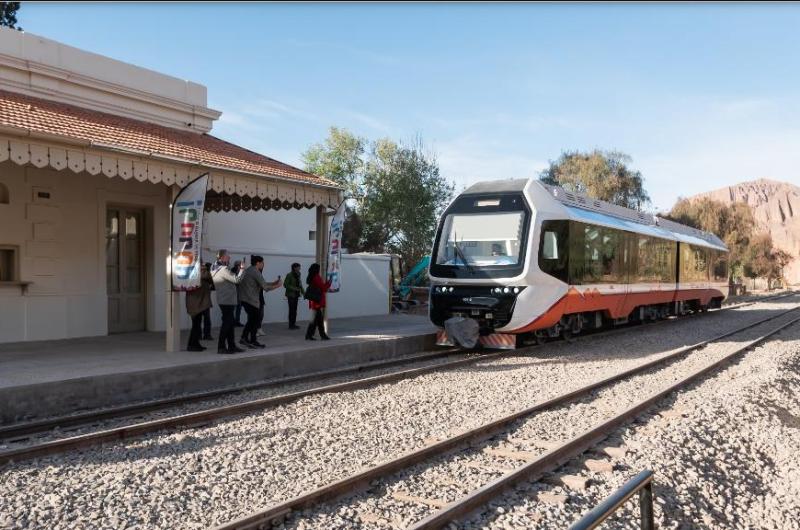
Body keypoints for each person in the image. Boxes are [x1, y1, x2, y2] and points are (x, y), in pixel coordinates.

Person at [238, 255, 282, 348]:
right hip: (251, 300)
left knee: (252, 320)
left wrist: (274, 283)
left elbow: (262, 283)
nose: (263, 264)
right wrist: (277, 286)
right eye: (262, 262)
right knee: (254, 321)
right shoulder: (255, 271)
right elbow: (265, 287)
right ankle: (251, 340)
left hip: (246, 299)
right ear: (258, 263)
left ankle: (245, 338)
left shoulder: (249, 270)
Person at [211, 249, 245, 354]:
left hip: (224, 299)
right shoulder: (223, 269)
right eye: (227, 256)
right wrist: (242, 269)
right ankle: (221, 347)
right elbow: (237, 280)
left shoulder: (215, 267)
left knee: (230, 324)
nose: (229, 257)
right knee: (227, 324)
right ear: (221, 257)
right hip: (227, 301)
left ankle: (231, 346)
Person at [185, 262, 214, 352]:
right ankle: (192, 345)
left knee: (196, 325)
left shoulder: (193, 271)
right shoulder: (200, 272)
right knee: (196, 325)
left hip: (198, 302)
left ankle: (195, 343)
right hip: (197, 303)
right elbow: (209, 278)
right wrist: (207, 268)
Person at [305, 262, 331, 341]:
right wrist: (329, 282)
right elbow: (323, 288)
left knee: (316, 320)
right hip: (317, 302)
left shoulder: (311, 277)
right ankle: (320, 335)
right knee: (317, 320)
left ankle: (311, 335)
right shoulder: (316, 277)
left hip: (314, 301)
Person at [283, 262, 305, 329]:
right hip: (291, 295)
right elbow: (285, 285)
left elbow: (300, 285)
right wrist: (295, 288)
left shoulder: (298, 274)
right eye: (298, 267)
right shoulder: (289, 275)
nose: (299, 268)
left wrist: (304, 293)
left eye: (299, 267)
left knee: (295, 310)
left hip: (296, 295)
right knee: (291, 310)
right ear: (294, 268)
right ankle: (291, 325)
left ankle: (293, 324)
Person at [201, 262, 214, 341]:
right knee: (205, 319)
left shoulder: (205, 274)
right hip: (203, 300)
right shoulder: (204, 273)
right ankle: (206, 334)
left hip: (204, 299)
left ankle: (206, 334)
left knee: (205, 319)